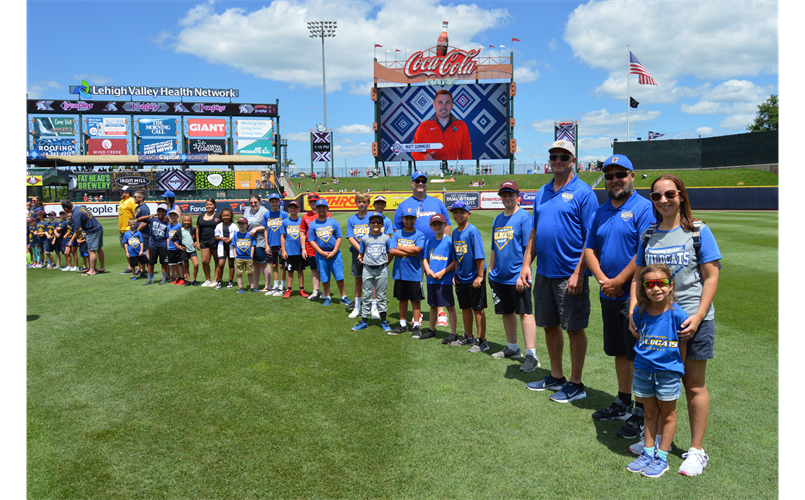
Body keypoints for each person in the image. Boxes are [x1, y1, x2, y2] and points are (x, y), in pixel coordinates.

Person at [630, 174, 722, 477]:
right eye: (657, 196)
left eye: (670, 194)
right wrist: (633, 311)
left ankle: (696, 451)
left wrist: (697, 316)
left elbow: (711, 277)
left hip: (693, 321)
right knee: (656, 386)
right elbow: (638, 276)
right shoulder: (648, 234)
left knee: (693, 384)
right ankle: (656, 442)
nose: (664, 201)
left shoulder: (698, 231)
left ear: (681, 195)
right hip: (656, 323)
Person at [520, 140, 598, 403]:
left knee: (574, 328)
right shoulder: (542, 192)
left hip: (569, 274)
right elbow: (534, 231)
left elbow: (591, 236)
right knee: (549, 325)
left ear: (572, 160)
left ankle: (576, 384)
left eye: (563, 157)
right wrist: (525, 265)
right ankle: (556, 376)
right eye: (554, 156)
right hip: (544, 273)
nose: (558, 160)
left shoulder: (584, 192)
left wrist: (579, 272)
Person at [583, 155, 656, 435]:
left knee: (637, 354)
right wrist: (603, 280)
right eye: (610, 176)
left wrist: (618, 280)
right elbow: (589, 249)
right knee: (618, 352)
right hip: (608, 293)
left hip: (634, 295)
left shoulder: (643, 208)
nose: (615, 180)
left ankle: (641, 410)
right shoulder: (600, 211)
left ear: (632, 176)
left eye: (620, 175)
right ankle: (623, 401)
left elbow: (643, 251)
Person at [625, 264, 687, 478]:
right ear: (643, 288)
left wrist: (679, 368)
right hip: (643, 370)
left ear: (670, 286)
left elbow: (683, 344)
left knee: (668, 416)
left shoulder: (677, 314)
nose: (655, 288)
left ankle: (662, 457)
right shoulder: (640, 312)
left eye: (661, 283)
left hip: (667, 373)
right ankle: (648, 453)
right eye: (649, 284)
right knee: (649, 413)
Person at [487, 181, 540, 371]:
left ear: (518, 196)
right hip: (499, 277)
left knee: (525, 313)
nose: (507, 198)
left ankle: (532, 355)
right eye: (504, 195)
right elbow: (494, 248)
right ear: (500, 197)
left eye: (511, 194)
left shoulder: (524, 218)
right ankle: (512, 348)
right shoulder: (497, 219)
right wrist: (491, 271)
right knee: (506, 312)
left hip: (518, 276)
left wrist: (522, 274)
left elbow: (529, 248)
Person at [393, 170, 452, 325]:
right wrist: (405, 248)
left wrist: (443, 245)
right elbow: (396, 230)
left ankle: (441, 312)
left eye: (423, 181)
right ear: (412, 183)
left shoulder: (437, 202)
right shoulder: (404, 205)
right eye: (417, 181)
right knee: (415, 284)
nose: (420, 184)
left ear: (426, 183)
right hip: (413, 253)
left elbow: (447, 224)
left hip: (434, 250)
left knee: (436, 280)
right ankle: (416, 315)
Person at [447, 201, 488, 351]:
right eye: (455, 212)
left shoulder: (472, 231)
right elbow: (456, 257)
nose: (458, 215)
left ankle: (481, 340)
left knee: (478, 309)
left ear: (468, 214)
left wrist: (480, 276)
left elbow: (480, 257)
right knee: (465, 307)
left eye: (462, 212)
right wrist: (455, 274)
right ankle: (469, 336)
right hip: (461, 277)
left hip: (474, 277)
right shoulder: (455, 232)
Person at [352, 211, 392, 332]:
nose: (376, 224)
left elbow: (391, 253)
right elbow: (361, 252)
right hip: (368, 270)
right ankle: (364, 321)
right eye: (373, 222)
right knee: (367, 295)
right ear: (369, 223)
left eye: (378, 222)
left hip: (381, 270)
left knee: (381, 296)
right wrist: (361, 257)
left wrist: (385, 264)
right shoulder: (365, 238)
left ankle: (384, 321)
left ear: (382, 224)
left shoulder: (386, 238)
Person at [420, 214, 457, 341]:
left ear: (445, 225)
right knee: (432, 305)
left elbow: (454, 261)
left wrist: (443, 272)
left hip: (444, 279)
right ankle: (431, 329)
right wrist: (428, 269)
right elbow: (425, 258)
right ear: (431, 226)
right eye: (435, 224)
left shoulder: (449, 241)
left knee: (450, 306)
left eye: (440, 224)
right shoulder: (429, 241)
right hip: (431, 279)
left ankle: (453, 333)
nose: (437, 226)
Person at [306, 199, 349, 307]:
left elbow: (339, 237)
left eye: (323, 207)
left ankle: (343, 297)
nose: (321, 209)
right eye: (319, 207)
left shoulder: (333, 221)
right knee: (324, 277)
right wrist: (321, 252)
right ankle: (328, 297)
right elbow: (311, 240)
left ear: (327, 208)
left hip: (335, 254)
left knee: (339, 276)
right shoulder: (313, 224)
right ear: (316, 208)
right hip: (321, 255)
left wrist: (334, 251)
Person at [388, 213, 425, 337]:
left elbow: (418, 250)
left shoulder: (419, 234)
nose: (409, 221)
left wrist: (400, 247)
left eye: (411, 218)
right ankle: (403, 324)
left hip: (414, 273)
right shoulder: (397, 234)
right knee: (402, 300)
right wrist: (409, 251)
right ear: (402, 219)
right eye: (406, 218)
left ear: (415, 219)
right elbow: (392, 250)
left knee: (415, 301)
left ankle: (416, 326)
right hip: (400, 273)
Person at [411, 89, 472, 161]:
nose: (443, 106)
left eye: (447, 102)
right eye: (440, 102)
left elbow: (467, 155)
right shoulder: (423, 127)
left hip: (454, 171)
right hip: (431, 171)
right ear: (434, 105)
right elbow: (414, 151)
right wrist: (423, 157)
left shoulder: (462, 126)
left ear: (452, 105)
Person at [299, 193, 331, 300]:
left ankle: (324, 291)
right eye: (311, 201)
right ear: (308, 203)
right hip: (310, 248)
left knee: (324, 269)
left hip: (323, 247)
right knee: (314, 269)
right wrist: (303, 248)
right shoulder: (306, 216)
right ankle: (315, 291)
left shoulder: (326, 214)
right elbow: (302, 233)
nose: (313, 203)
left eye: (315, 201)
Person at [62, 200, 106, 276]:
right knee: (99, 248)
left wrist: (78, 237)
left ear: (65, 208)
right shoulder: (80, 207)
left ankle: (92, 270)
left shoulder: (74, 214)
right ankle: (102, 267)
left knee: (91, 251)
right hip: (98, 227)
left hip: (92, 230)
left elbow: (79, 229)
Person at [346, 191, 372, 319]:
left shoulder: (373, 217)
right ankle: (357, 307)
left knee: (372, 280)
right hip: (357, 253)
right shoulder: (352, 219)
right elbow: (350, 237)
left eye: (364, 202)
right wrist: (361, 251)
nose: (361, 204)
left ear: (368, 203)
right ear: (356, 203)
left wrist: (366, 251)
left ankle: (373, 307)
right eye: (359, 202)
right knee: (358, 280)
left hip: (372, 252)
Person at [279, 201, 307, 298]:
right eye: (291, 208)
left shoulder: (302, 221)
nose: (293, 209)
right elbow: (283, 236)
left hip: (299, 251)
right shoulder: (285, 222)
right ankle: (289, 289)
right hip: (289, 251)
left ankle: (302, 289)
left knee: (300, 270)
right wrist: (283, 250)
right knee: (290, 271)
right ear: (288, 209)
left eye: (295, 208)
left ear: (298, 209)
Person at [262, 193, 288, 295]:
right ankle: (275, 286)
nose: (274, 203)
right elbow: (265, 230)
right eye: (272, 202)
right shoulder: (267, 215)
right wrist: (267, 245)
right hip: (271, 244)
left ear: (279, 202)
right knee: (274, 265)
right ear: (269, 203)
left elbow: (285, 230)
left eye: (276, 201)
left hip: (281, 244)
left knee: (282, 265)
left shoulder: (283, 214)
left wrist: (284, 246)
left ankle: (283, 286)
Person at [242, 194, 269, 292]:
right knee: (254, 264)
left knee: (263, 263)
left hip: (260, 241)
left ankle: (268, 286)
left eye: (255, 202)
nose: (253, 204)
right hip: (249, 242)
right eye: (251, 203)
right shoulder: (247, 210)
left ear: (260, 201)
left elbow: (268, 226)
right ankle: (255, 286)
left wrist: (257, 228)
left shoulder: (265, 212)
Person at [142, 204, 169, 286]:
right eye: (159, 211)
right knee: (151, 263)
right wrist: (149, 216)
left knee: (163, 263)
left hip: (163, 245)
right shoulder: (152, 220)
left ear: (165, 213)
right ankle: (149, 279)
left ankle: (164, 279)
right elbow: (138, 219)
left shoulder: (167, 224)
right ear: (157, 212)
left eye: (163, 211)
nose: (160, 213)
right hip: (153, 244)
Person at [195, 198, 220, 287]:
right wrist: (197, 241)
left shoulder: (218, 215)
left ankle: (215, 280)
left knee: (217, 260)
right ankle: (207, 279)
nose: (209, 206)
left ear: (214, 205)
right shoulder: (201, 216)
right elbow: (197, 229)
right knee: (205, 261)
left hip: (215, 241)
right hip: (204, 241)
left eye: (211, 204)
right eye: (207, 204)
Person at [214, 207, 238, 290]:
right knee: (220, 264)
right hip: (222, 247)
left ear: (231, 216)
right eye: (224, 216)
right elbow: (216, 237)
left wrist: (232, 239)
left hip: (231, 248)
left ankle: (230, 281)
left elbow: (238, 236)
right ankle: (219, 282)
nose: (226, 217)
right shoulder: (218, 226)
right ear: (221, 216)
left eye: (227, 215)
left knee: (231, 264)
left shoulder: (234, 226)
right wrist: (222, 238)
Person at [232, 217, 256, 294]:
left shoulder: (250, 234)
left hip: (248, 257)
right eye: (239, 224)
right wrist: (235, 255)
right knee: (239, 273)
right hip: (239, 257)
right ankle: (240, 287)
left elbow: (253, 245)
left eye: (243, 224)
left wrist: (251, 255)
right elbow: (233, 246)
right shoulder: (236, 235)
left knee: (250, 272)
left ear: (247, 225)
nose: (241, 225)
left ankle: (252, 287)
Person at [118, 186, 137, 274]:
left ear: (127, 193)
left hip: (129, 229)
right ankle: (130, 267)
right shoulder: (122, 201)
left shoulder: (131, 201)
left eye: (122, 192)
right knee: (127, 250)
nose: (121, 193)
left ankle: (137, 267)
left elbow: (136, 214)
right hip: (122, 229)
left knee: (134, 248)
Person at [133, 190, 151, 278]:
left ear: (141, 198)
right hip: (140, 233)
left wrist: (136, 232)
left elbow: (145, 223)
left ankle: (149, 270)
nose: (134, 198)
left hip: (143, 233)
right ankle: (143, 270)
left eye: (135, 197)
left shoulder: (144, 208)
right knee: (141, 251)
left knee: (146, 250)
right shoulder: (137, 207)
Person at [166, 208, 185, 285]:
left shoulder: (179, 226)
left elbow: (181, 237)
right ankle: (178, 278)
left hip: (177, 248)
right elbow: (168, 237)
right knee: (173, 264)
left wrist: (179, 246)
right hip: (170, 248)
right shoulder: (168, 226)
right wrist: (167, 246)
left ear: (177, 216)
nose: (172, 217)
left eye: (174, 215)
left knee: (179, 263)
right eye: (171, 216)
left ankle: (182, 278)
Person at [180, 214, 200, 286]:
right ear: (182, 221)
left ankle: (194, 280)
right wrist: (179, 246)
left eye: (188, 220)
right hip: (184, 250)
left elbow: (198, 237)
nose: (187, 222)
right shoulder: (180, 230)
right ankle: (188, 280)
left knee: (196, 264)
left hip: (192, 250)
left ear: (191, 221)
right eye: (185, 220)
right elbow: (174, 239)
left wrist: (196, 242)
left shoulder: (193, 229)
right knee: (186, 265)